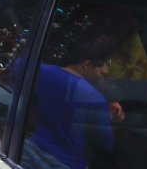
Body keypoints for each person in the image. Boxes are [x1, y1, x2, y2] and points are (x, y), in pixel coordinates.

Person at [22, 41, 123, 169]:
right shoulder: (95, 98)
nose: (101, 79)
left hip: (31, 150)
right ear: (87, 64)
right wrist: (109, 117)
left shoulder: (44, 72)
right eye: (101, 74)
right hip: (65, 163)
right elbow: (105, 143)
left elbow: (18, 69)